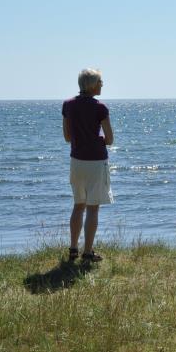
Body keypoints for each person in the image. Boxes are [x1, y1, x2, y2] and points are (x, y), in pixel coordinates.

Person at [62, 68, 114, 262]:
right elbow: (109, 139)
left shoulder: (68, 105)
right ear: (92, 84)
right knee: (93, 208)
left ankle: (73, 249)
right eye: (100, 82)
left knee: (78, 205)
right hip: (96, 162)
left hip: (76, 161)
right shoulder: (100, 108)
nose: (102, 85)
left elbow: (67, 137)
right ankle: (88, 252)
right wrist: (97, 138)